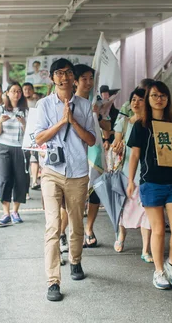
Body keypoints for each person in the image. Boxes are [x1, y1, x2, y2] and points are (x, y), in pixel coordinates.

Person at [34, 58, 96, 302]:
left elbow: (91, 140)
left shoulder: (84, 105)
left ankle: (76, 260)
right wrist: (61, 121)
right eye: (59, 73)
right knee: (52, 226)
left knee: (76, 224)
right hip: (51, 171)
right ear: (52, 78)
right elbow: (39, 138)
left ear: (74, 78)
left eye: (68, 73)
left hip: (79, 172)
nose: (64, 77)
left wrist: (73, 121)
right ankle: (53, 281)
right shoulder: (43, 105)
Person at [126, 80, 172, 290]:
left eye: (163, 96)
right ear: (148, 99)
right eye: (154, 95)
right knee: (158, 230)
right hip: (151, 182)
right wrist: (130, 181)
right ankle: (158, 272)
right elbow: (135, 155)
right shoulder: (140, 125)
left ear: (168, 99)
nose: (159, 99)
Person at [111, 88, 152, 262]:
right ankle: (121, 235)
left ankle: (146, 249)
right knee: (124, 209)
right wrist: (116, 147)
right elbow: (116, 143)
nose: (135, 103)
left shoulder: (152, 124)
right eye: (133, 99)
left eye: (140, 100)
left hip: (147, 174)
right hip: (126, 172)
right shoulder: (124, 122)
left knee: (147, 212)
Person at [73, 64, 103, 248]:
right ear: (75, 81)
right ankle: (65, 233)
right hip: (76, 154)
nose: (88, 82)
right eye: (84, 78)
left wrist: (100, 117)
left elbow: (108, 127)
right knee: (73, 198)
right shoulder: (69, 102)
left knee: (95, 192)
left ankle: (89, 229)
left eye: (91, 78)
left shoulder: (98, 101)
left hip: (96, 151)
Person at [0, 83, 29, 226]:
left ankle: (15, 211)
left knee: (20, 179)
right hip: (4, 147)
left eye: (19, 91)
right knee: (5, 179)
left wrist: (24, 123)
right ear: (7, 93)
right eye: (13, 91)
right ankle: (5, 213)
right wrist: (0, 121)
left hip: (20, 148)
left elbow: (30, 133)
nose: (17, 94)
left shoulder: (25, 111)